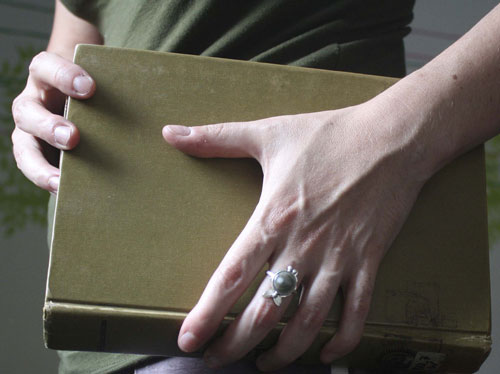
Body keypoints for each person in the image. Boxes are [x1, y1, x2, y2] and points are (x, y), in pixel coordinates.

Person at [11, 0, 500, 373]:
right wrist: (41, 104)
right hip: (94, 318)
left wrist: (391, 144)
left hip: (271, 289)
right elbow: (80, 40)